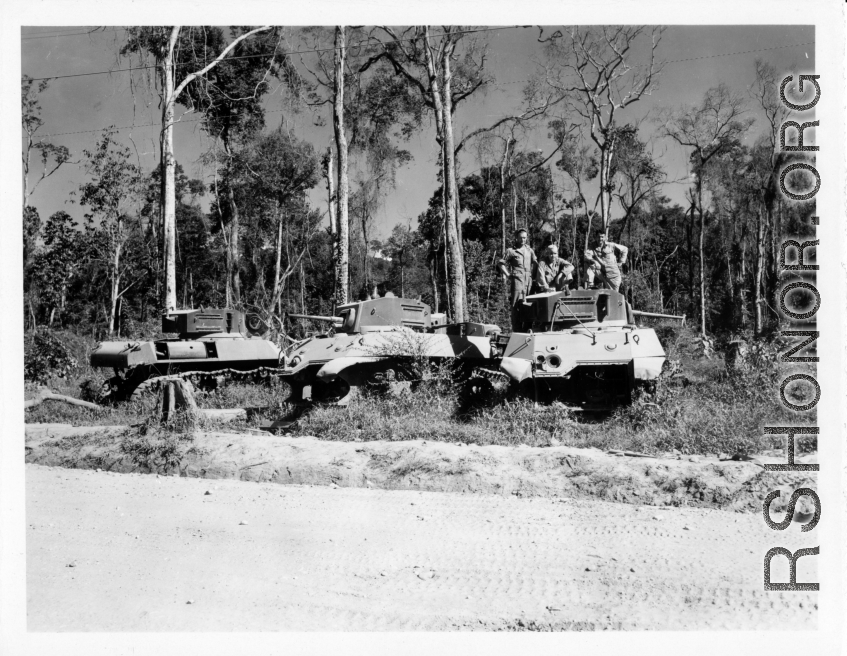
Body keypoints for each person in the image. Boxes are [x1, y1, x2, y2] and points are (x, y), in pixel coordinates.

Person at [497, 228, 537, 331]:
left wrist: (535, 277)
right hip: (517, 281)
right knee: (516, 305)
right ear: (516, 238)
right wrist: (508, 274)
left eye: (524, 238)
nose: (523, 240)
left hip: (529, 282)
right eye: (520, 238)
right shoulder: (511, 251)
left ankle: (528, 328)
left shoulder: (529, 250)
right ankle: (517, 330)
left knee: (529, 305)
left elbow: (536, 263)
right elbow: (501, 263)